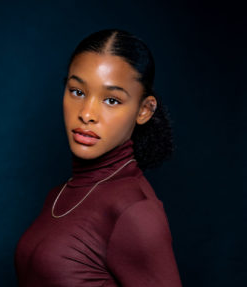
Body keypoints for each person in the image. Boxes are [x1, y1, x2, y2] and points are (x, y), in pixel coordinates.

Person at [15, 29, 182, 287]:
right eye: (78, 92)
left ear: (144, 110)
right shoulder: (59, 195)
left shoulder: (134, 210)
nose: (87, 114)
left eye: (112, 100)